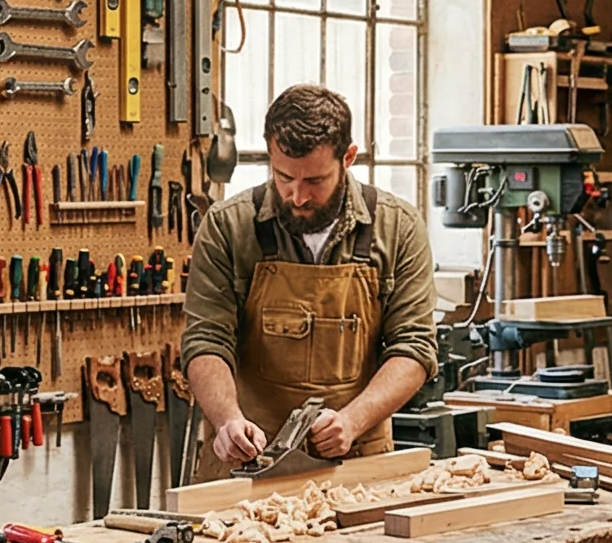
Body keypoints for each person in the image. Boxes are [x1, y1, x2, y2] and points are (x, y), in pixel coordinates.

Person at [181, 84, 438, 472]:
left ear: (348, 157)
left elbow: (414, 347)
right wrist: (228, 421)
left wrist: (352, 421)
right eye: (284, 177)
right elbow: (205, 341)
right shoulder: (228, 226)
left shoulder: (397, 227)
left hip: (356, 457)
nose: (297, 197)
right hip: (247, 459)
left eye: (314, 181)